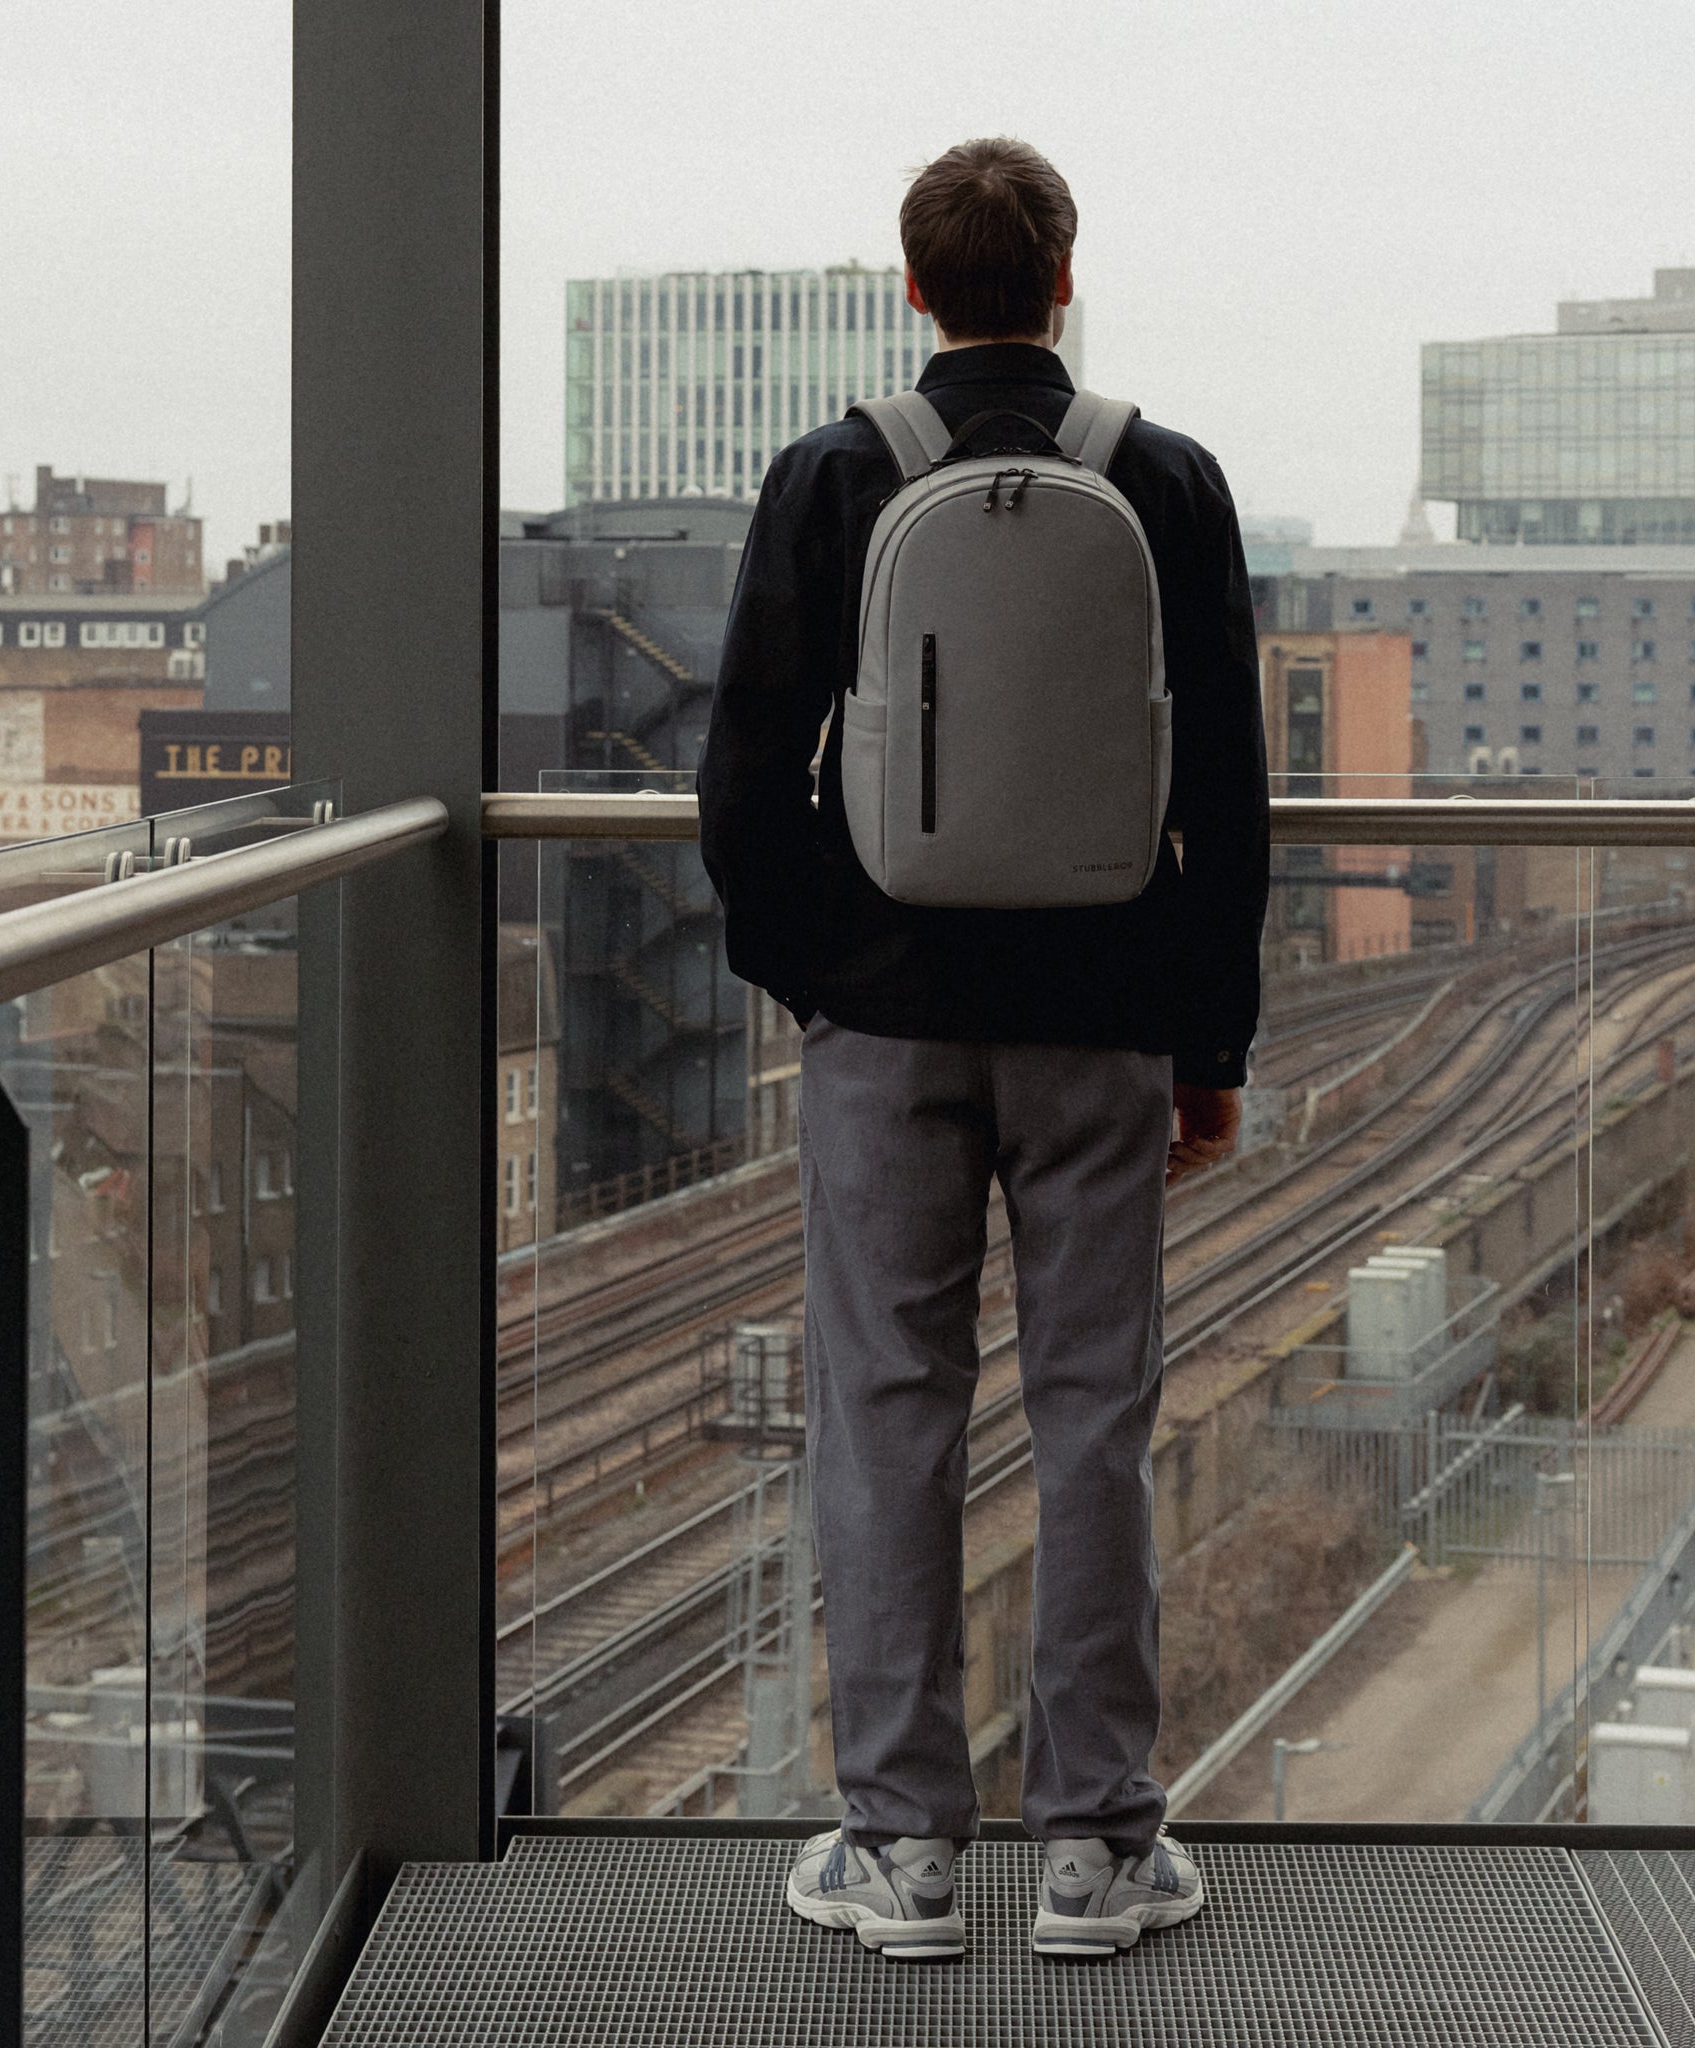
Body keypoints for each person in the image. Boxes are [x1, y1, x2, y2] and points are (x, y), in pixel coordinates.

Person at [699, 136, 1270, 1961]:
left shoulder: (834, 475)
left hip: (887, 1024)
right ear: (1068, 270)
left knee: (886, 1416)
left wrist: (825, 977)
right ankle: (1099, 1846)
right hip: (1104, 1024)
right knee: (1094, 1414)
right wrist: (1207, 1040)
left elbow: (745, 781)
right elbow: (1229, 800)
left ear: (917, 284)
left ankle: (903, 1855)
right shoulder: (1169, 482)